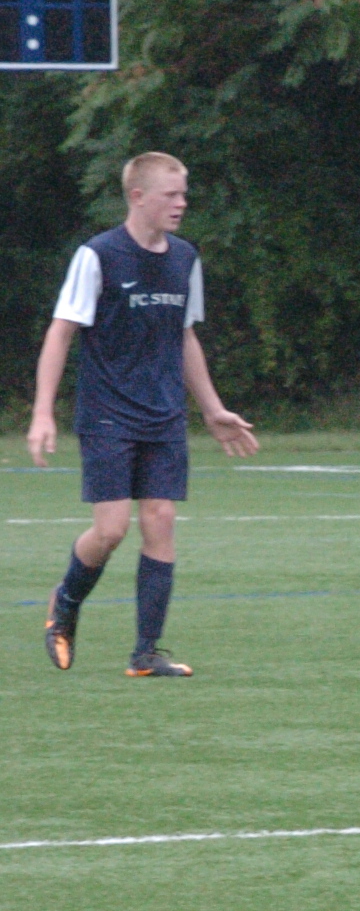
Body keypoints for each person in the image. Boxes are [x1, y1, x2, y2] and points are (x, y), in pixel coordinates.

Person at [27, 151, 257, 676]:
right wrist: (43, 412)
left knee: (161, 519)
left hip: (164, 413)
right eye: (170, 194)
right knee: (110, 530)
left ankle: (146, 654)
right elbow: (61, 332)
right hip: (107, 412)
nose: (182, 203)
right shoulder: (98, 255)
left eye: (184, 194)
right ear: (138, 197)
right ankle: (65, 603)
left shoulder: (185, 258)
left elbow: (184, 336)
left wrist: (212, 409)